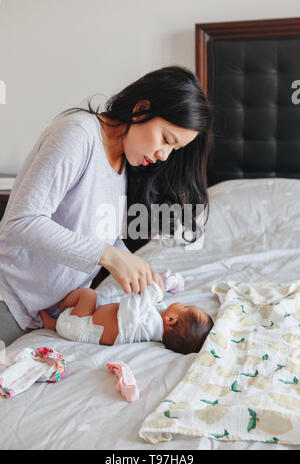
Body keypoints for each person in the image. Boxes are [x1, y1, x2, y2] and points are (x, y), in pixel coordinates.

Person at [0, 65, 212, 346]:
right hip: (11, 300)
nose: (164, 155)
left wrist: (137, 268)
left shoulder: (122, 163)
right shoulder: (78, 134)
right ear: (141, 109)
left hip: (50, 314)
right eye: (165, 139)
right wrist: (111, 257)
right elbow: (21, 222)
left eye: (174, 149)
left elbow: (99, 236)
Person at [39, 283, 214, 355]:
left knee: (88, 294)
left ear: (170, 320)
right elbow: (155, 307)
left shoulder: (149, 323)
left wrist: (154, 290)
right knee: (92, 300)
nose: (182, 303)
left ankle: (60, 306)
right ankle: (53, 324)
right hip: (83, 328)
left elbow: (133, 305)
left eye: (185, 307)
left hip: (78, 324)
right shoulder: (153, 331)